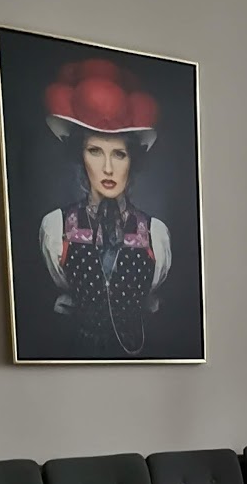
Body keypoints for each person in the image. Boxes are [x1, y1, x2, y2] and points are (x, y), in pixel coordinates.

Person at [38, 58, 171, 357]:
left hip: (141, 360)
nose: (108, 168)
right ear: (81, 157)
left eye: (119, 154)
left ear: (132, 160)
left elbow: (151, 296)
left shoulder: (154, 233)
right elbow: (63, 286)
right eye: (95, 151)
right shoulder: (57, 227)